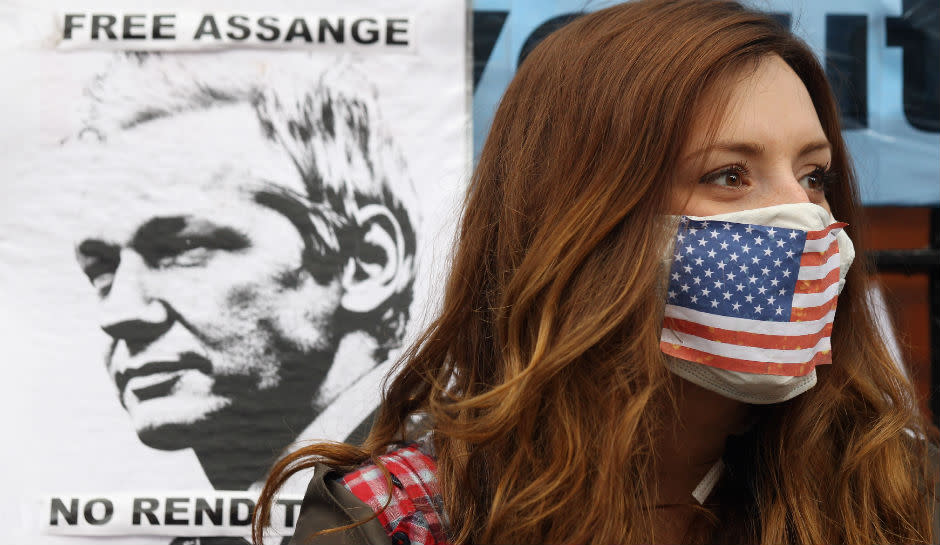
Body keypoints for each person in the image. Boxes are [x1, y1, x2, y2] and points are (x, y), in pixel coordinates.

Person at [253, 1, 938, 544]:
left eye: (813, 176)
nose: (808, 220)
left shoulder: (899, 491)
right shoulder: (401, 519)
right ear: (582, 221)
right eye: (729, 175)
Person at [70, 52, 419, 499]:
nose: (118, 314)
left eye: (182, 249)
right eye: (102, 270)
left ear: (367, 261)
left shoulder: (463, 496)